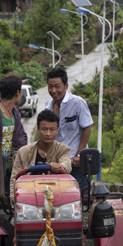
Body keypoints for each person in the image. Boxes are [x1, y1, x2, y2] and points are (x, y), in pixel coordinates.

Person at [43, 66, 93, 196]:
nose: (53, 90)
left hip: (75, 163)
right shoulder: (48, 106)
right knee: (57, 199)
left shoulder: (77, 103)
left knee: (80, 199)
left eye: (57, 86)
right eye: (50, 86)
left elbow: (87, 129)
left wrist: (79, 154)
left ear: (66, 86)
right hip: (56, 165)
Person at [10, 110, 72, 200]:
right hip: (28, 197)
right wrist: (14, 201)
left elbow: (67, 165)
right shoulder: (23, 152)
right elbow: (14, 180)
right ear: (38, 129)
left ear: (57, 130)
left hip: (55, 197)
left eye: (52, 129)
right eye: (44, 129)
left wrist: (58, 166)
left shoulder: (63, 149)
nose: (48, 133)